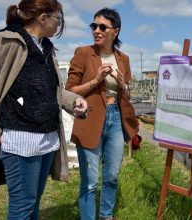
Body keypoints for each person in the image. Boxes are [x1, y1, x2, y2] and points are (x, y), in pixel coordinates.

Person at [0, 0, 88, 219]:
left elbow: (51, 90)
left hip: (47, 140)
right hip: (19, 142)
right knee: (22, 207)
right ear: (43, 18)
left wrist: (73, 100)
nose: (59, 24)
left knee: (32, 204)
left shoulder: (45, 47)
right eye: (58, 18)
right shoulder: (3, 42)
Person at [65, 7, 139, 220]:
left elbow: (128, 93)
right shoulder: (83, 53)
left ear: (115, 32)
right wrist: (96, 81)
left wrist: (123, 86)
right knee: (90, 180)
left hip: (116, 118)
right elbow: (69, 91)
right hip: (90, 118)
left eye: (102, 27)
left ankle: (106, 215)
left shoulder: (123, 58)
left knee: (112, 176)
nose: (96, 30)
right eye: (93, 26)